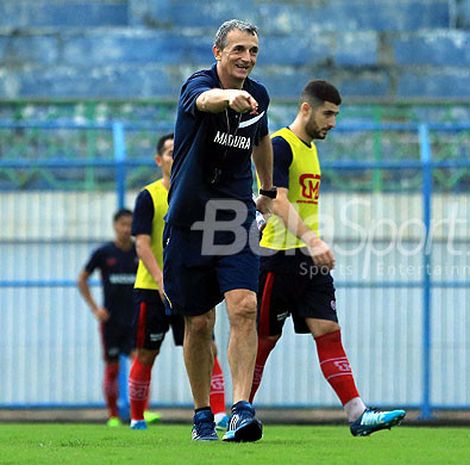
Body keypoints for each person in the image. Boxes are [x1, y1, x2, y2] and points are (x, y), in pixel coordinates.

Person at [250, 80, 406, 436]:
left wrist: (311, 246)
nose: (333, 122)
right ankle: (238, 412)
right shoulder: (280, 145)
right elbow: (278, 200)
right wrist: (313, 240)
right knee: (263, 342)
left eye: (336, 114)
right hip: (279, 258)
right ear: (306, 108)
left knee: (329, 331)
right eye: (329, 113)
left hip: (307, 262)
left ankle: (357, 414)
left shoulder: (310, 148)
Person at [163, 18, 275, 442]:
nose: (246, 58)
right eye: (239, 50)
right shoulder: (198, 83)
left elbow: (261, 138)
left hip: (233, 215)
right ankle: (201, 415)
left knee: (244, 306)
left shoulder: (259, 96)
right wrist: (229, 96)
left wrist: (267, 189)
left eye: (253, 51)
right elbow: (206, 101)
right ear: (218, 53)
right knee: (198, 323)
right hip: (190, 216)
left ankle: (241, 409)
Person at [128, 133, 229, 431]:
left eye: (179, 151)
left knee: (207, 346)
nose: (175, 157)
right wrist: (160, 279)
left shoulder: (199, 193)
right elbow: (142, 244)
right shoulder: (149, 196)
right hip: (152, 288)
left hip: (189, 283)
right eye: (169, 152)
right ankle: (136, 418)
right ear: (159, 160)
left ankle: (219, 412)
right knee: (147, 352)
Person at [77, 209, 138, 426]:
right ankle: (113, 415)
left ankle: (141, 412)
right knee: (112, 368)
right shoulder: (104, 253)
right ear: (115, 226)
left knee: (140, 363)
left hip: (134, 319)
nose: (127, 229)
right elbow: (82, 279)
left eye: (131, 224)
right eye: (123, 224)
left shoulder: (140, 252)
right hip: (111, 320)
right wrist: (95, 309)